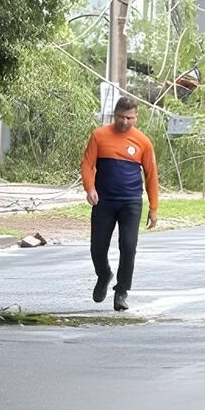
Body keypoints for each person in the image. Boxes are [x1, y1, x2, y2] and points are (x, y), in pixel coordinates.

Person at [81, 96, 159, 312]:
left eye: (130, 118)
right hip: (103, 201)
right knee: (97, 247)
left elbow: (151, 175)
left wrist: (153, 208)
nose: (125, 122)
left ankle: (122, 291)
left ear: (136, 117)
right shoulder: (99, 135)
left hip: (131, 202)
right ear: (114, 114)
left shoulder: (143, 141)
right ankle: (104, 274)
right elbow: (87, 163)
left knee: (128, 246)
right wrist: (90, 188)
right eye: (121, 117)